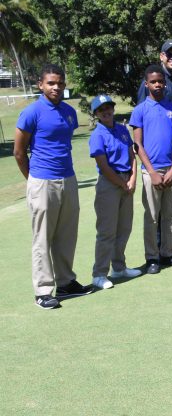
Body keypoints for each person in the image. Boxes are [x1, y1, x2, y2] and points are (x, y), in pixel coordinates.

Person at [14, 64, 91, 309]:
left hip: (68, 179)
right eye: (50, 83)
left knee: (67, 235)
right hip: (42, 181)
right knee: (42, 238)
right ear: (41, 85)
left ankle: (66, 282)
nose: (56, 87)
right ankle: (43, 291)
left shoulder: (69, 112)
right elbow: (18, 152)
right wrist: (34, 179)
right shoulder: (31, 112)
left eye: (59, 83)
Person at [130, 64, 172, 274]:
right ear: (147, 84)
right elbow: (138, 145)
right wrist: (152, 172)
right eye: (153, 82)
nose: (157, 85)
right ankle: (152, 257)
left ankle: (167, 253)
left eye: (161, 81)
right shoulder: (140, 110)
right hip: (150, 172)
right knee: (152, 216)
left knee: (171, 215)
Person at [136, 39, 172, 255]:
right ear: (161, 56)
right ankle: (157, 251)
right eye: (169, 54)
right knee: (156, 210)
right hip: (159, 155)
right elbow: (145, 116)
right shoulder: (153, 79)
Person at [89, 95, 142, 290]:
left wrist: (133, 178)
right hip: (110, 184)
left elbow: (132, 156)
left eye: (108, 107)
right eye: (101, 109)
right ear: (96, 113)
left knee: (124, 228)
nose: (106, 111)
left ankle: (119, 268)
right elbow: (103, 165)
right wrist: (122, 183)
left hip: (127, 181)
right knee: (107, 232)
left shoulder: (122, 129)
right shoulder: (97, 135)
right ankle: (99, 274)